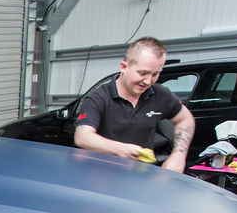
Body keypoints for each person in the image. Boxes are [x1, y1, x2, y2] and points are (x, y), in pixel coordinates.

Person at [74, 37, 195, 172]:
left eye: (155, 74)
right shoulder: (98, 98)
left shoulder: (160, 94)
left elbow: (185, 119)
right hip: (101, 177)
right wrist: (121, 149)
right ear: (124, 67)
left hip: (141, 177)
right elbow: (83, 137)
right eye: (143, 73)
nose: (148, 81)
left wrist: (178, 155)